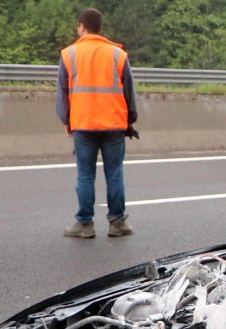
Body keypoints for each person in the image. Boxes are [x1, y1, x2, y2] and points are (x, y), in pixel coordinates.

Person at [57, 8, 138, 239]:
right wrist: (130, 121)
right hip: (114, 124)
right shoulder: (117, 55)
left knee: (85, 175)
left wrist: (67, 120)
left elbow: (62, 93)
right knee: (114, 173)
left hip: (83, 124)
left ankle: (84, 224)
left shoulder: (68, 55)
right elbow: (130, 93)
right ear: (100, 28)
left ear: (82, 26)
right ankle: (117, 223)